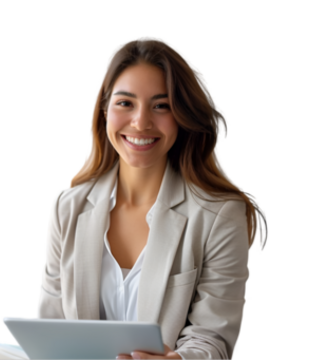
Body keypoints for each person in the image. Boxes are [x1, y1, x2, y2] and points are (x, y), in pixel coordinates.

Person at [35, 35, 268, 360]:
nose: (141, 122)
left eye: (161, 106)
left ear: (182, 116)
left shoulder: (219, 216)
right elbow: (50, 330)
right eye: (125, 103)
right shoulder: (67, 206)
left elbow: (213, 339)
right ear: (104, 110)